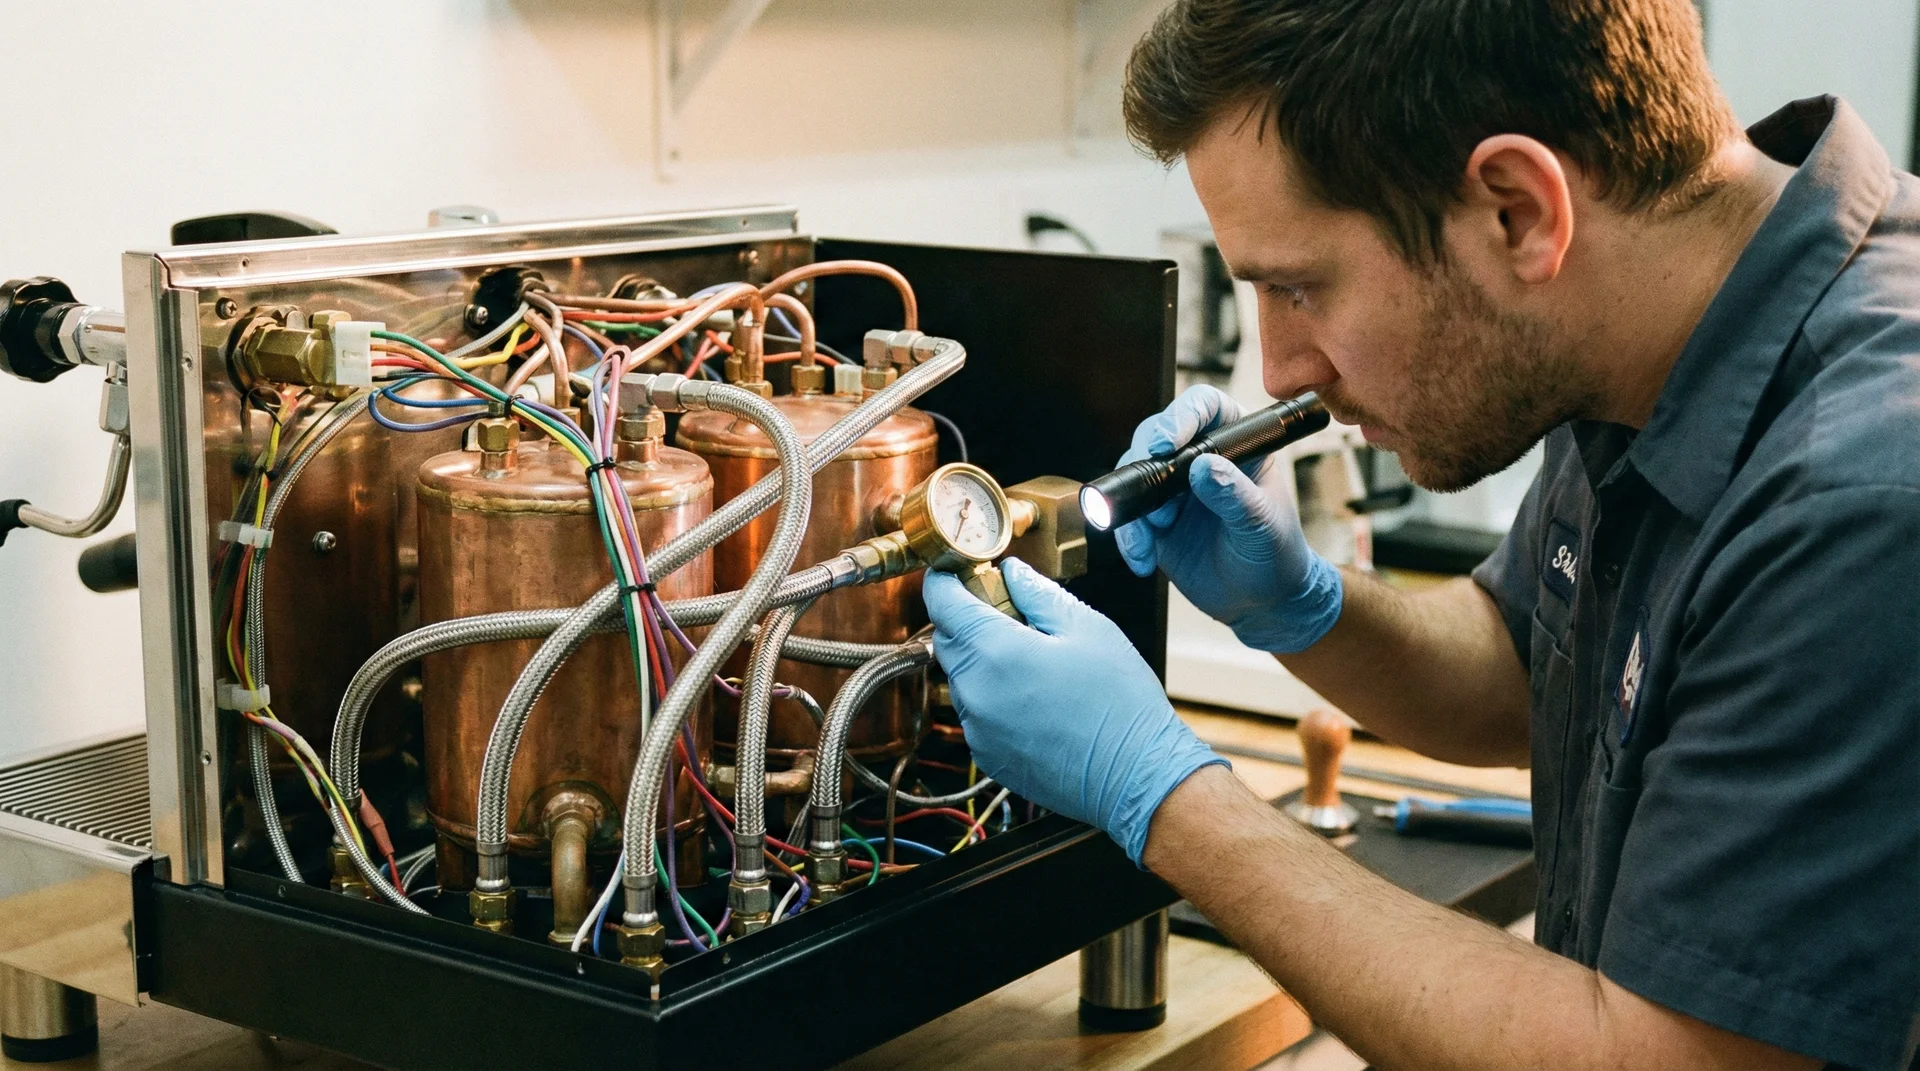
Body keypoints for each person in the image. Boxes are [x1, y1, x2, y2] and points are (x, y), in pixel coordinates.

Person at [921, 1, 1920, 1068]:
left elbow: (1660, 1059)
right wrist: (1300, 609)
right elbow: (1526, 663)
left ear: (1518, 213)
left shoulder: (1860, 490)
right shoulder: (1648, 331)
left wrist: (1160, 792)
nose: (1282, 373)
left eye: (1302, 286)